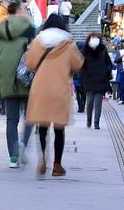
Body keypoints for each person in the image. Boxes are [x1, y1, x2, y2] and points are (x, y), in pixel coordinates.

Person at [24, 13, 84, 177]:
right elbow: (78, 64)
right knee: (59, 129)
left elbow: (29, 63)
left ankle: (42, 159)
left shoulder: (38, 42)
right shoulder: (68, 44)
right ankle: (57, 166)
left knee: (42, 127)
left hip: (41, 88)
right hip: (60, 89)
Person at [0, 2, 35, 169]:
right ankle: (22, 144)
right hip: (27, 82)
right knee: (30, 118)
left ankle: (13, 158)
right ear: (19, 11)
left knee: (11, 121)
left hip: (7, 84)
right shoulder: (29, 30)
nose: (27, 11)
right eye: (25, 8)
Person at [79, 31, 113, 129]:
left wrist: (107, 71)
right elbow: (81, 65)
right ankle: (89, 119)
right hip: (89, 79)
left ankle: (96, 122)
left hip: (101, 79)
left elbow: (108, 63)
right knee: (89, 101)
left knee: (98, 102)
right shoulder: (84, 51)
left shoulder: (103, 50)